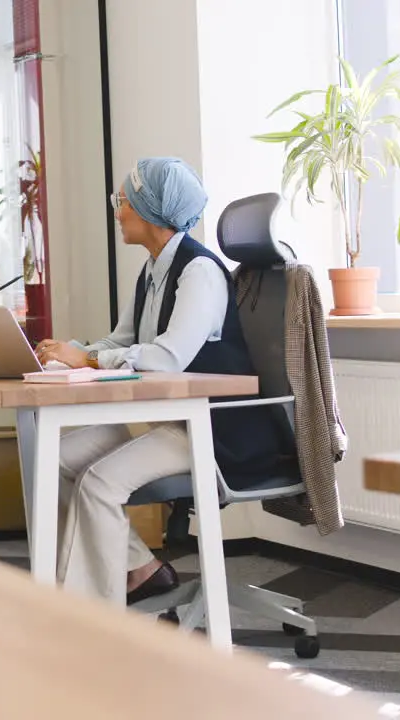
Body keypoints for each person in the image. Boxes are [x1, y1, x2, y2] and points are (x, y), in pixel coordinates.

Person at [34, 157, 287, 606]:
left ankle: (85, 614)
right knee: (53, 458)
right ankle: (141, 570)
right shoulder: (153, 270)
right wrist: (68, 357)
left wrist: (90, 360)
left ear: (151, 209)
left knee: (98, 482)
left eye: (123, 201)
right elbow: (122, 341)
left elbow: (168, 358)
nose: (117, 211)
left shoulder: (200, 272)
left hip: (213, 428)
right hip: (166, 419)